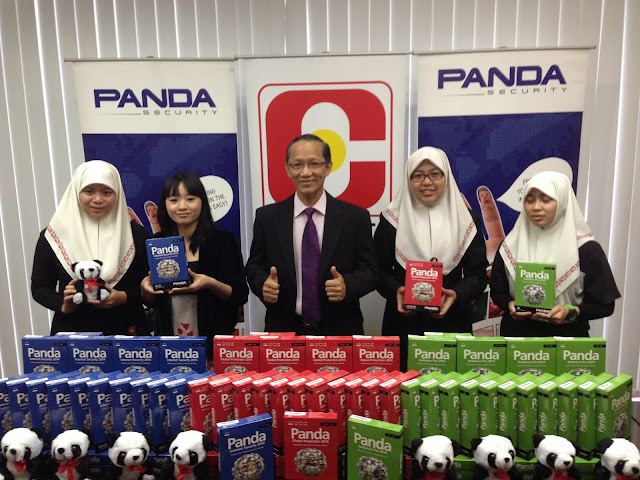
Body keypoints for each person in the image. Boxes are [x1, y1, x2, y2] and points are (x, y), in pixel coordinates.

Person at [245, 133, 378, 335]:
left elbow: (370, 271)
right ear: (287, 169)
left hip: (340, 330)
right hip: (284, 330)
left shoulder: (355, 217)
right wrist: (263, 284)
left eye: (314, 164)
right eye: (297, 165)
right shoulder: (267, 217)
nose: (306, 172)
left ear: (328, 167)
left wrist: (347, 286)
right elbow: (254, 267)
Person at [374, 147, 488, 369]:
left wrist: (457, 295)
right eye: (418, 175)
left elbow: (478, 275)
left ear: (447, 177)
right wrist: (396, 291)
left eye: (435, 174)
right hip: (403, 325)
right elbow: (376, 271)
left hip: (452, 322)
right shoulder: (391, 220)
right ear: (409, 180)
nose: (427, 182)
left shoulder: (467, 219)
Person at [489, 171, 620, 337]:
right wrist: (509, 304)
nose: (536, 207)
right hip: (517, 337)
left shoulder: (585, 249)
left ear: (563, 201)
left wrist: (571, 311)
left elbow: (605, 305)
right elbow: (497, 292)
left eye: (546, 199)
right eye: (530, 200)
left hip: (567, 340)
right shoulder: (510, 246)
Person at [31, 160, 150, 335]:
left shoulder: (136, 235)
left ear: (117, 193)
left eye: (107, 192)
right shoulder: (54, 236)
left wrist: (123, 297)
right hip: (73, 334)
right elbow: (40, 287)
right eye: (89, 191)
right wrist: (63, 304)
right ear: (76, 192)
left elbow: (149, 286)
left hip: (128, 334)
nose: (98, 199)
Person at [141, 172, 248, 358]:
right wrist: (146, 288)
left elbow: (240, 294)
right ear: (165, 204)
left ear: (202, 202)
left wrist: (210, 283)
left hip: (215, 345)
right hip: (170, 346)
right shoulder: (156, 243)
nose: (182, 206)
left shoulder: (224, 241)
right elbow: (150, 301)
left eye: (190, 199)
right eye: (174, 200)